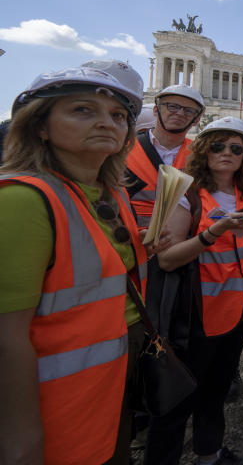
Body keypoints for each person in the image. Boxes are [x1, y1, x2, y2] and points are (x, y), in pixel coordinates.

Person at [0, 66, 147, 465]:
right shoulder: (21, 201)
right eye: (83, 110)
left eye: (118, 116)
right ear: (41, 126)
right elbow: (6, 337)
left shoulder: (112, 196)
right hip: (56, 413)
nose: (106, 122)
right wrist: (21, 441)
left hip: (108, 384)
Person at [145, 116, 243, 465]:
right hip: (196, 313)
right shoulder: (184, 192)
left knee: (216, 388)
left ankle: (209, 453)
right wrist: (212, 233)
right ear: (204, 149)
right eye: (218, 145)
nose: (227, 153)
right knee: (179, 398)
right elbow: (168, 260)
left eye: (236, 148)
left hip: (240, 308)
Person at [125, 83, 204, 229]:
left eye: (188, 111)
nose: (180, 113)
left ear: (196, 120)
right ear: (156, 110)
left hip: (182, 243)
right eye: (172, 106)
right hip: (130, 241)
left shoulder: (202, 156)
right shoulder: (123, 150)